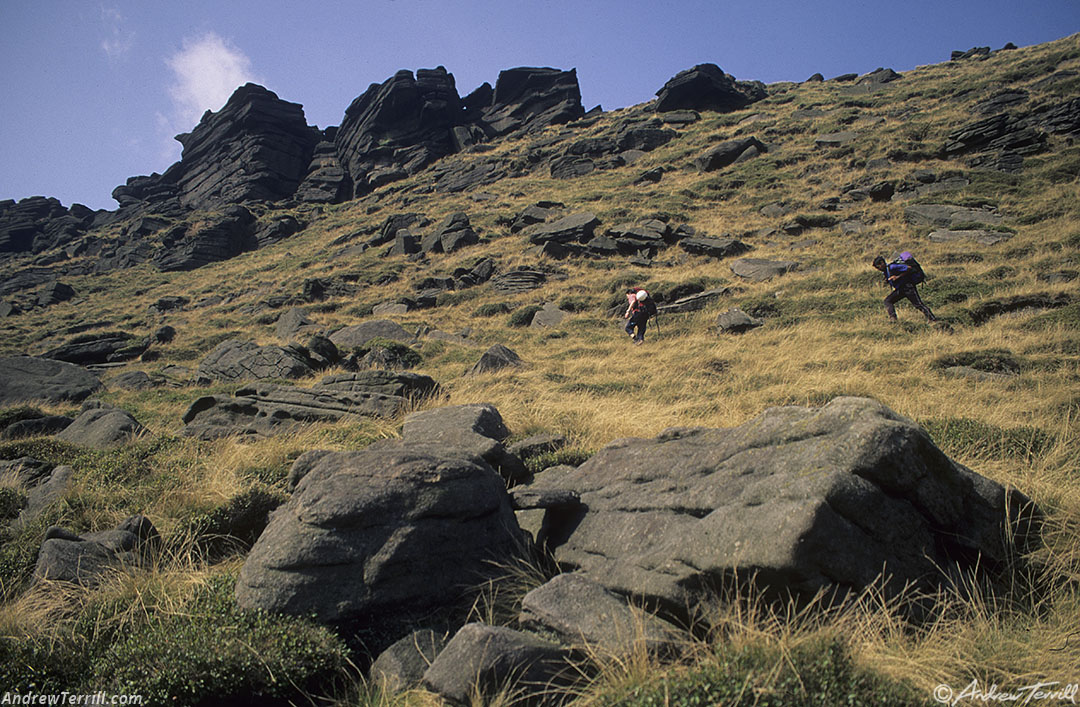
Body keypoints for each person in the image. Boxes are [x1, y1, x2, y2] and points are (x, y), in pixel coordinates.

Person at [873, 255, 937, 322]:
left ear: (882, 263)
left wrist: (897, 277)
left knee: (918, 304)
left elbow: (909, 268)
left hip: (908, 288)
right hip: (901, 289)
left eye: (878, 267)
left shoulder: (892, 267)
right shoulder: (886, 271)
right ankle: (893, 319)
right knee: (888, 301)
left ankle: (933, 319)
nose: (878, 269)